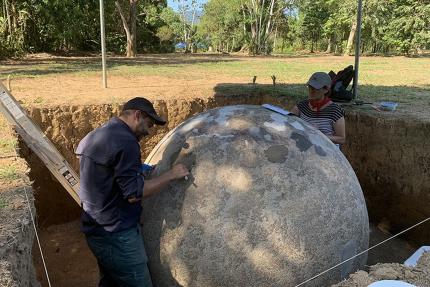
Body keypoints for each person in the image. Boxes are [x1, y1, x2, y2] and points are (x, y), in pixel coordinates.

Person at [75, 97, 189, 287]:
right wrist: (171, 174)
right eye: (149, 124)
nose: (149, 131)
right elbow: (135, 193)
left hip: (96, 230)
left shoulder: (98, 135)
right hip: (117, 235)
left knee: (111, 281)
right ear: (138, 115)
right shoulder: (126, 142)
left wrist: (137, 170)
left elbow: (106, 172)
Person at [291, 72, 346, 145]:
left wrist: (318, 135)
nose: (311, 91)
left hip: (326, 151)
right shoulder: (301, 106)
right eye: (310, 87)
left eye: (315, 88)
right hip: (306, 147)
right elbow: (289, 122)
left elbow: (342, 139)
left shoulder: (334, 110)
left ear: (326, 89)